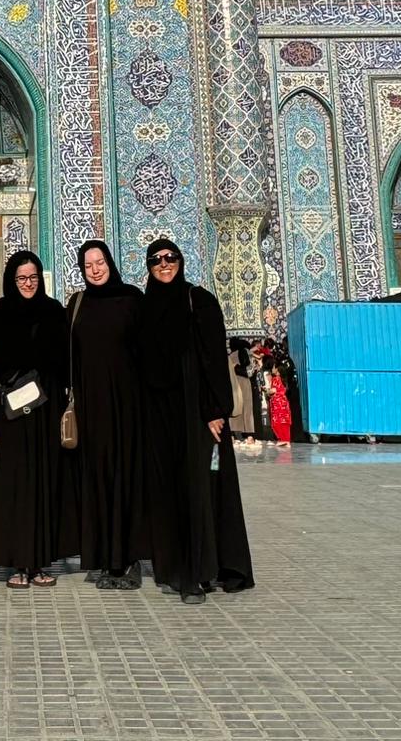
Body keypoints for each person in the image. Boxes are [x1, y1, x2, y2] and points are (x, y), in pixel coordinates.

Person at [140, 238, 254, 604]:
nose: (164, 264)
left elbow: (212, 360)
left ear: (181, 260)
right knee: (169, 490)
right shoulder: (147, 307)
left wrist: (216, 411)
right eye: (156, 260)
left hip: (198, 415)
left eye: (170, 258)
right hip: (160, 416)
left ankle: (199, 572)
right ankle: (174, 567)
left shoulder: (199, 300)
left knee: (199, 490)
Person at [0, 249, 71, 588]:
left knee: (42, 482)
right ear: (10, 280)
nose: (28, 283)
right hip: (11, 412)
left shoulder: (54, 312)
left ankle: (38, 562)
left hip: (46, 409)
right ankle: (16, 561)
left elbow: (64, 360)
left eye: (33, 277)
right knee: (14, 484)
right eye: (21, 278)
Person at [68, 239, 148, 589]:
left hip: (127, 407)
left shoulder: (131, 299)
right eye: (88, 265)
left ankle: (128, 559)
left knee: (125, 476)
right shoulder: (77, 303)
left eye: (100, 262)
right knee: (96, 477)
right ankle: (101, 556)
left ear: (110, 263)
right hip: (91, 407)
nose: (95, 270)